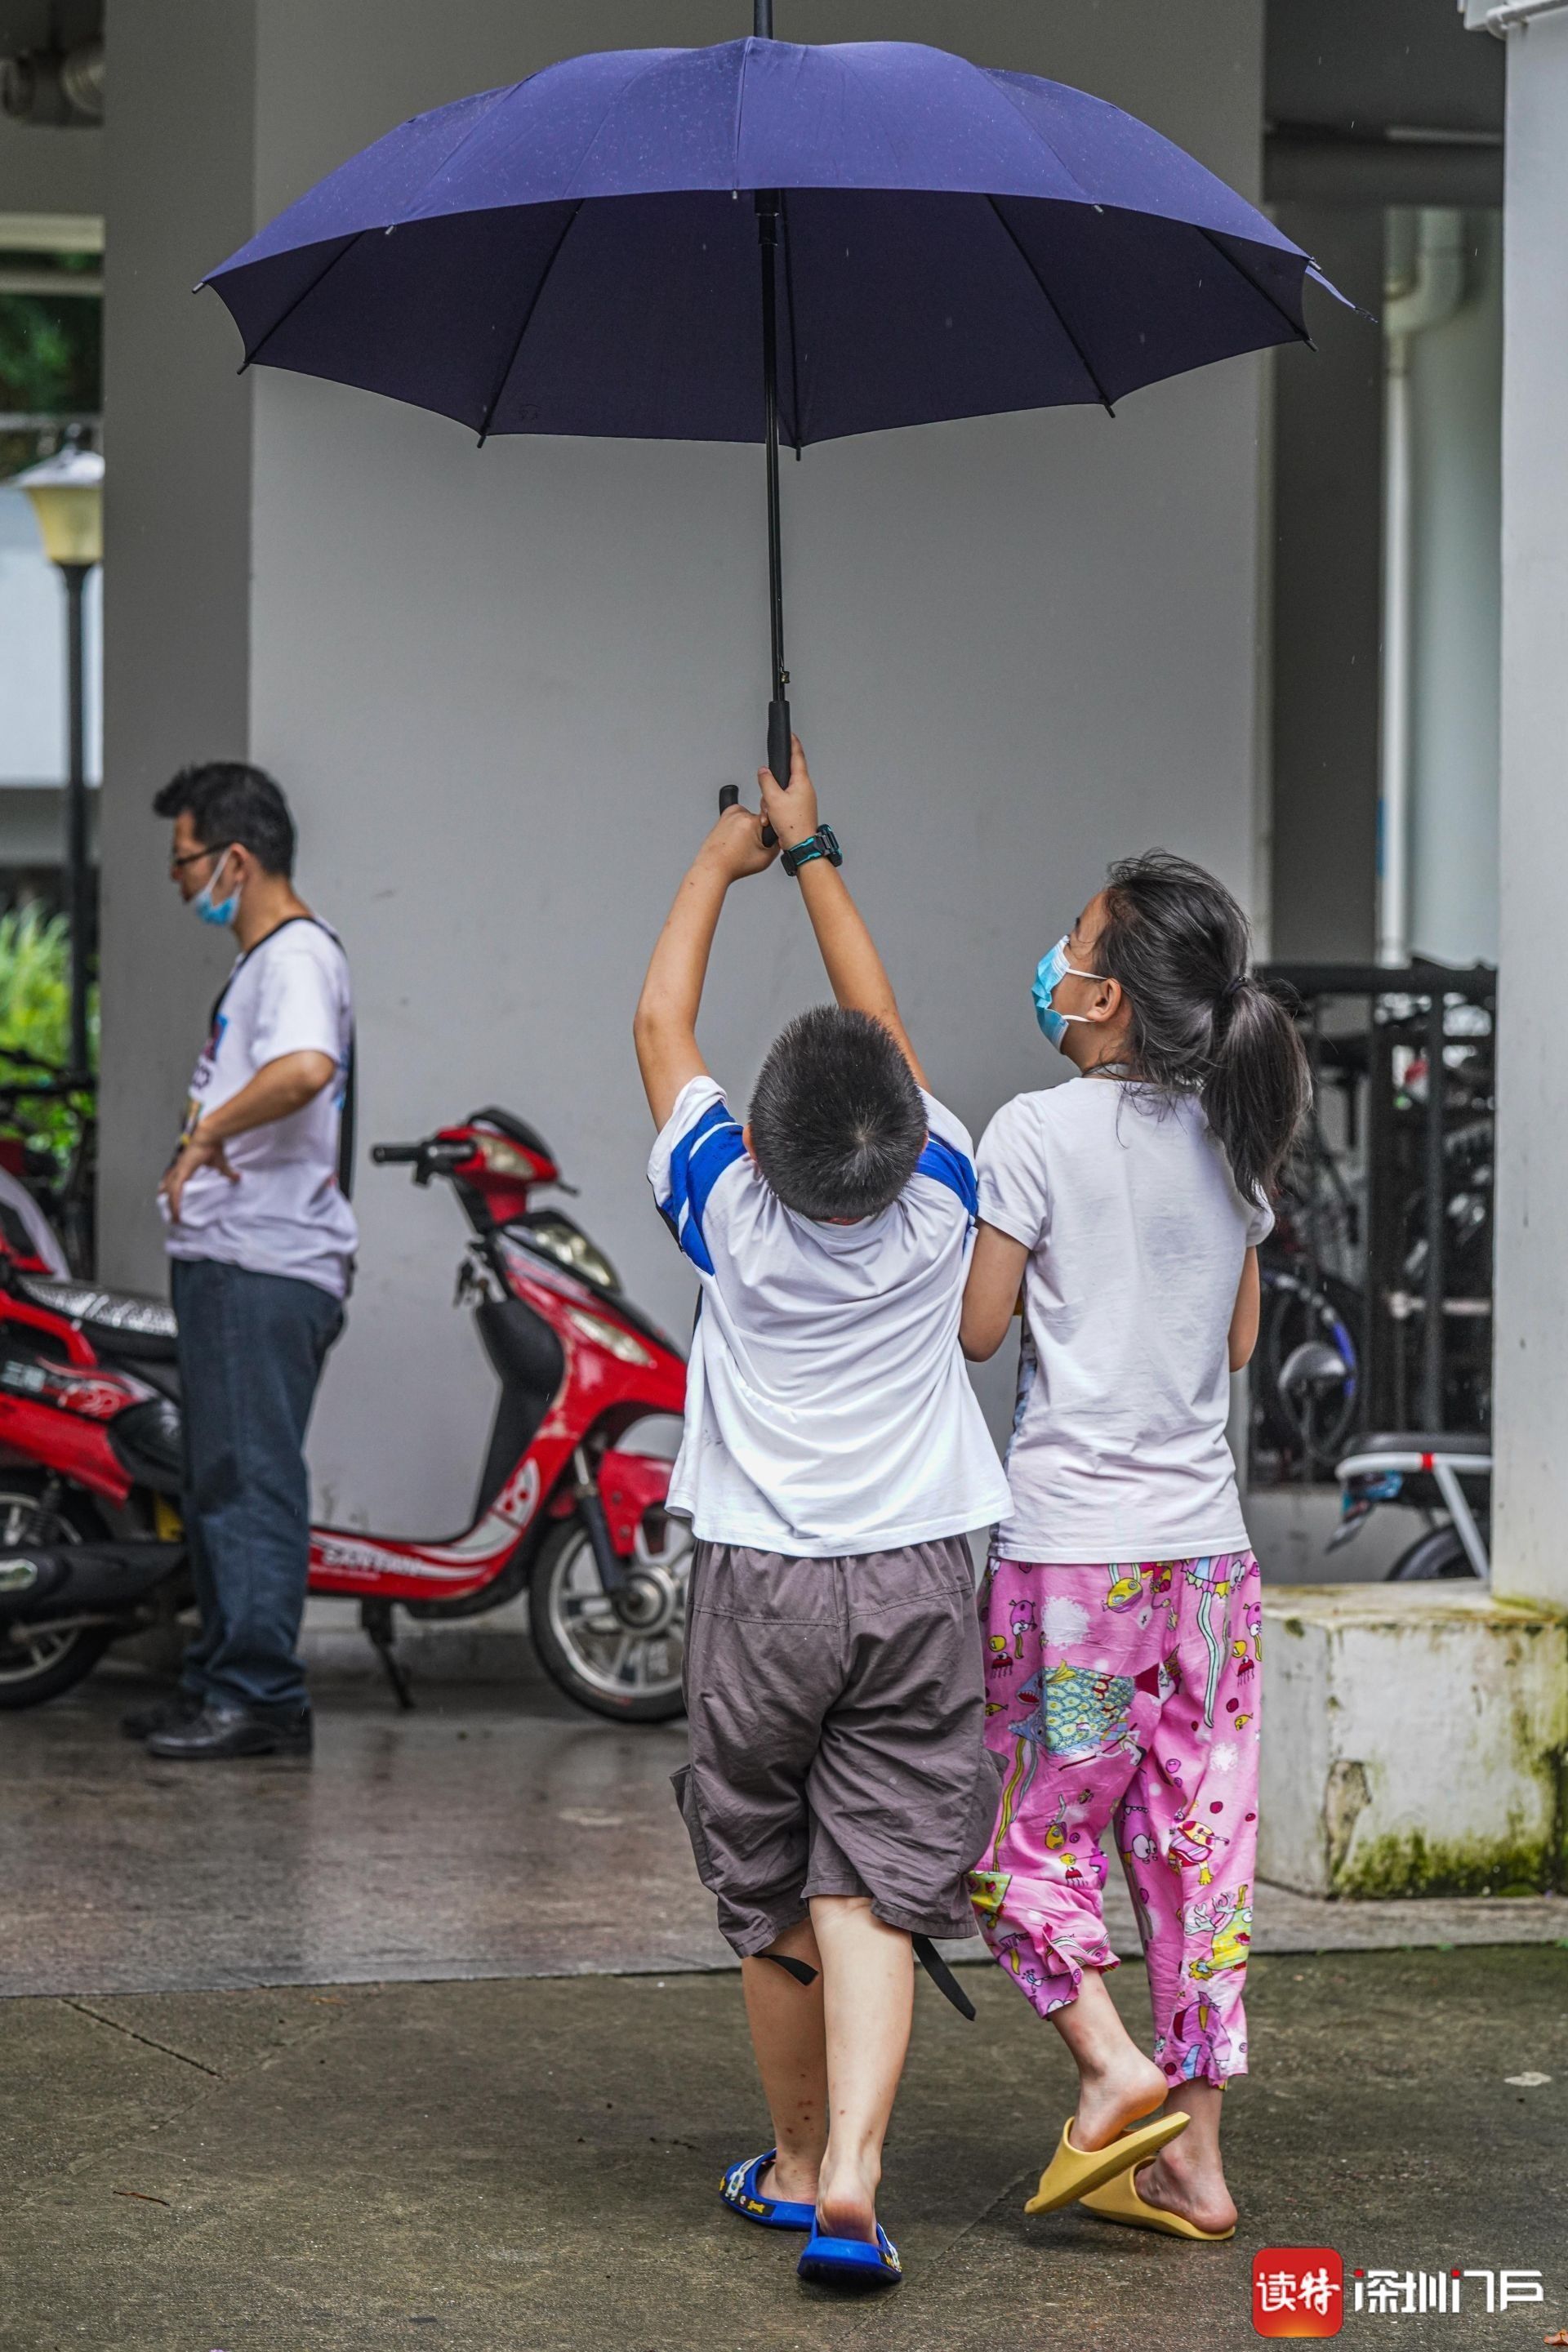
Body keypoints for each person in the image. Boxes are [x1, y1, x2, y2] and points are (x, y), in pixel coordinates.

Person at [634, 741, 1009, 2289]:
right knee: (876, 1878)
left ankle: (792, 2166)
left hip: (764, 1586)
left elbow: (661, 1022)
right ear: (898, 1124)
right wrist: (810, 853)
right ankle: (860, 2164)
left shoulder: (730, 1211)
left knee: (768, 1872)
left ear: (770, 1140)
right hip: (924, 1571)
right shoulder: (943, 1193)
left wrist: (718, 860)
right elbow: (893, 1037)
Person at [960, 851, 1309, 2243]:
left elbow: (983, 1330)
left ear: (1101, 997)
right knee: (1195, 1849)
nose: (1055, 952)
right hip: (1204, 1585)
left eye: (1074, 938)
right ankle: (1198, 2165)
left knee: (1040, 1828)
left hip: (1081, 1590)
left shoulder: (1032, 1134)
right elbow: (1235, 1341)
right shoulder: (1235, 1142)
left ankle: (1111, 2071)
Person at [124, 762, 355, 1762]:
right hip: (236, 1259)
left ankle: (258, 1694)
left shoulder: (295, 956)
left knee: (249, 1479)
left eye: (185, 862)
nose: (180, 883)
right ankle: (224, 1679)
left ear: (236, 858)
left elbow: (307, 1070)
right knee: (221, 1477)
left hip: (263, 1263)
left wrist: (205, 1133)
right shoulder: (265, 963)